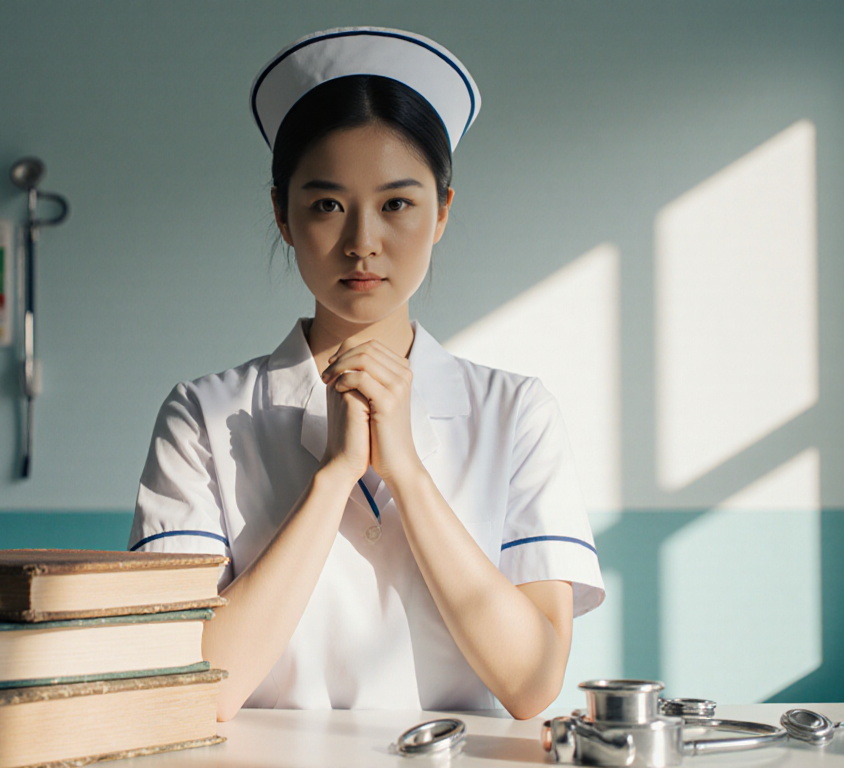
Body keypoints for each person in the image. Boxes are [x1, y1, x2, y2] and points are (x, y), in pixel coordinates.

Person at [129, 27, 604, 721]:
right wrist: (335, 475)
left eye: (397, 204)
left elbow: (532, 685)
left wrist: (406, 472)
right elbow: (189, 688)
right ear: (281, 215)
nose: (362, 242)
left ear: (442, 212)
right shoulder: (201, 415)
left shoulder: (517, 411)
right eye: (326, 204)